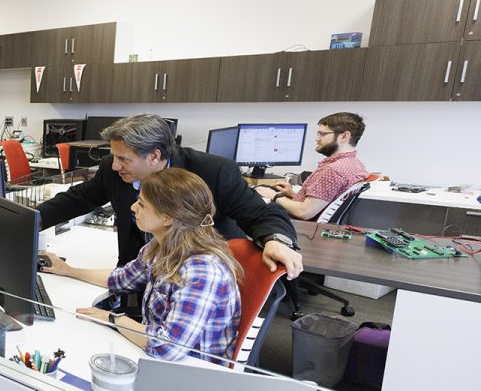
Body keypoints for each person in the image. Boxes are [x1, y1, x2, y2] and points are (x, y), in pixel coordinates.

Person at [37, 114, 303, 279]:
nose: (114, 165)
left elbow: (261, 213)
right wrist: (28, 221)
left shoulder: (213, 171)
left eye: (123, 158)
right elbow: (77, 199)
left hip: (194, 275)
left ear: (154, 156)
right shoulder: (113, 169)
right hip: (139, 270)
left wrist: (276, 240)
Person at [43, 168, 242, 363]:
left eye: (142, 204)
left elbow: (168, 347)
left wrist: (115, 320)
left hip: (190, 371)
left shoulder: (201, 271)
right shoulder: (160, 246)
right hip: (156, 357)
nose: (133, 207)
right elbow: (121, 279)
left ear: (168, 217)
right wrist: (68, 271)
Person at [255, 112, 367, 221]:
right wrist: (292, 194)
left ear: (344, 136)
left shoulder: (333, 170)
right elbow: (321, 202)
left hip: (295, 226)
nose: (317, 139)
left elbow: (303, 212)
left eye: (322, 134)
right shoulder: (355, 164)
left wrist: (274, 195)